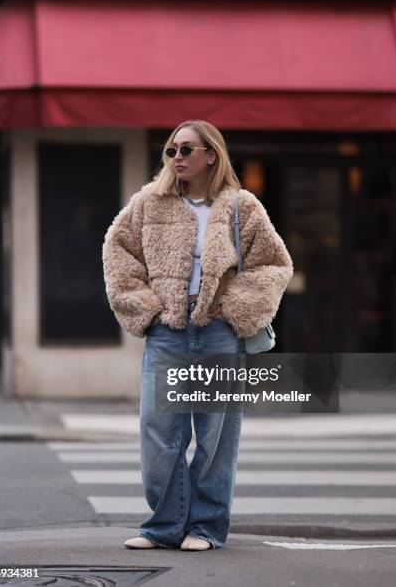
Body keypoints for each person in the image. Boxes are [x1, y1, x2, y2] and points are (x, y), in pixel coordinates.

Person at [102, 119, 293, 551]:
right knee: (159, 433)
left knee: (214, 436)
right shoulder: (150, 203)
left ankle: (205, 526)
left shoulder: (241, 206)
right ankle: (164, 525)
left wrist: (233, 309)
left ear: (212, 155)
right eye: (172, 150)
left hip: (218, 333)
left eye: (187, 149)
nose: (177, 158)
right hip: (167, 331)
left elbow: (274, 265)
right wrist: (148, 310)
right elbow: (118, 253)